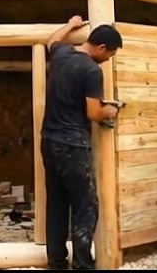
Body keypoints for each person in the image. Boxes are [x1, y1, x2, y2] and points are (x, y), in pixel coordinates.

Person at [39, 14, 123, 270]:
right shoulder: (91, 71)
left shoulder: (63, 55)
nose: (109, 59)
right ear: (100, 48)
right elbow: (93, 113)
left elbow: (52, 40)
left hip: (49, 141)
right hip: (73, 145)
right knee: (86, 206)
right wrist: (110, 111)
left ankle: (56, 262)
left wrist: (70, 26)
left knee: (56, 202)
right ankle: (83, 265)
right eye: (110, 54)